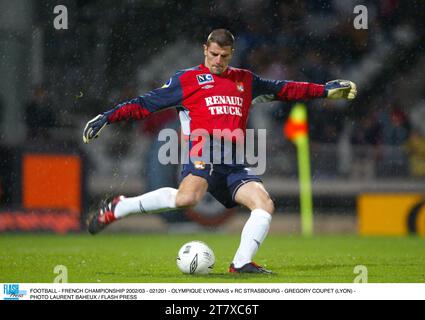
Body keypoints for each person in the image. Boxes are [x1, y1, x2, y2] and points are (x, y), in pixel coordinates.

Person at [82, 29, 357, 274]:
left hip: (234, 160)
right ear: (205, 49)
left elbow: (285, 89)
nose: (218, 61)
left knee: (264, 205)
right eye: (213, 54)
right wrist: (107, 117)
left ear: (231, 54)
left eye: (224, 56)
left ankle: (241, 263)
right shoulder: (187, 80)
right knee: (189, 198)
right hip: (203, 150)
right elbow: (145, 104)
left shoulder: (245, 81)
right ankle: (120, 207)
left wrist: (324, 91)